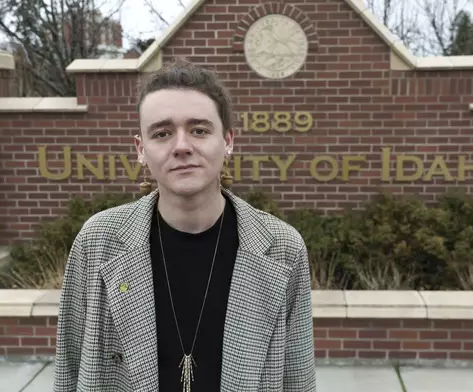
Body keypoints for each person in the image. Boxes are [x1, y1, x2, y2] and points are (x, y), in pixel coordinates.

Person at [53, 59, 317, 392]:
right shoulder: (98, 241)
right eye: (162, 133)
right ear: (141, 149)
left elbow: (299, 379)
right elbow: (69, 367)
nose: (181, 147)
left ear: (228, 141)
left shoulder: (282, 248)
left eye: (199, 130)